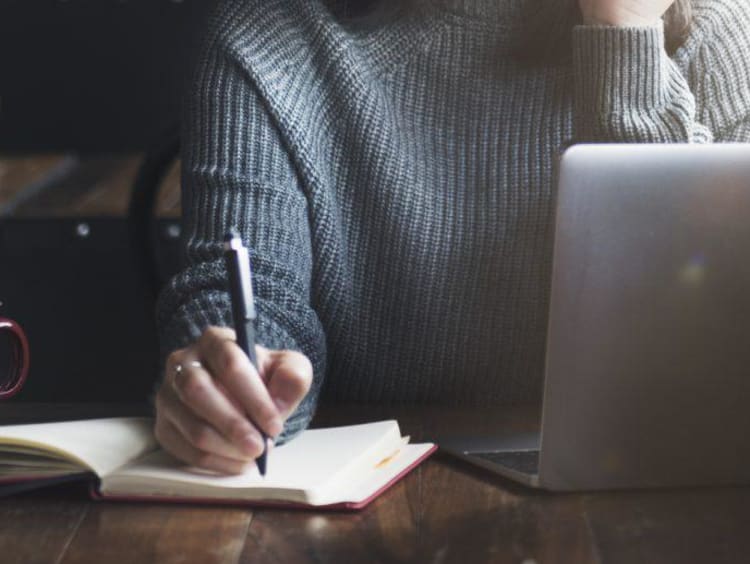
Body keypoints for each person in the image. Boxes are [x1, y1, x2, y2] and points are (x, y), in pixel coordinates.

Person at [154, 0, 750, 474]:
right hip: (358, 510)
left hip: (639, 502)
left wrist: (627, 35)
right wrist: (235, 382)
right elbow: (247, 294)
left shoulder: (720, 32)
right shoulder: (268, 37)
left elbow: (706, 359)